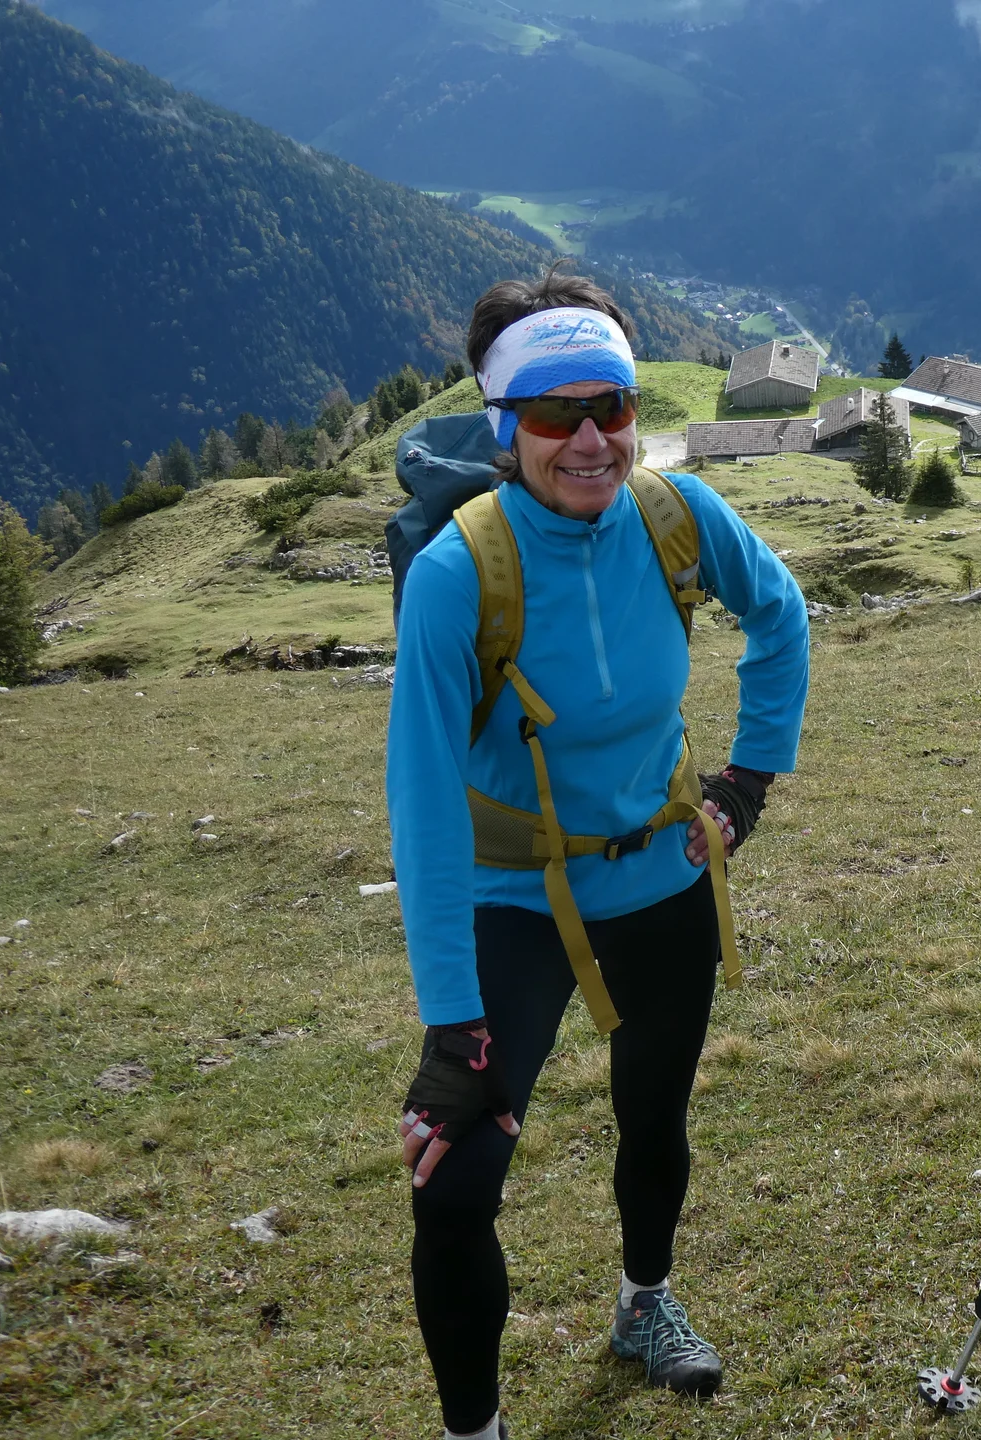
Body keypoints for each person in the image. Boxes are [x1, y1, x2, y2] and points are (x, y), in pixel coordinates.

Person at [387, 264, 810, 1439]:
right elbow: (420, 804)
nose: (588, 441)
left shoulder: (679, 516)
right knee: (455, 1192)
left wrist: (747, 784)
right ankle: (475, 1428)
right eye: (553, 414)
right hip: (510, 900)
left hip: (662, 876)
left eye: (611, 408)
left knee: (656, 1118)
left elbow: (781, 615)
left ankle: (644, 1301)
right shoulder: (454, 574)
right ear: (505, 424)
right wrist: (448, 1020)